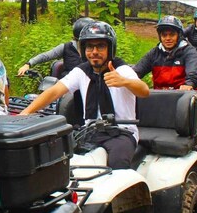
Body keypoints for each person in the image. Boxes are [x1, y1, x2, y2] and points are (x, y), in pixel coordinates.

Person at [20, 21, 149, 169]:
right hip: (90, 131)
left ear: (110, 48)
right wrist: (26, 112)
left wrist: (125, 82)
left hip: (122, 132)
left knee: (117, 164)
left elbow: (144, 91)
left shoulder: (122, 70)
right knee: (60, 160)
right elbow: (54, 91)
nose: (94, 51)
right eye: (89, 46)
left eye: (100, 46)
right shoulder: (81, 71)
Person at [133, 16, 197, 90]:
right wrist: (128, 79)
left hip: (182, 96)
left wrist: (189, 84)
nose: (168, 38)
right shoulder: (154, 53)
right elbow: (138, 70)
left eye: (172, 35)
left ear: (179, 35)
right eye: (164, 35)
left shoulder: (188, 51)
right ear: (160, 37)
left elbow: (194, 72)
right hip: (158, 96)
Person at [17, 16, 95, 78]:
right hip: (67, 88)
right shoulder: (66, 47)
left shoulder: (96, 53)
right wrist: (28, 64)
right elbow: (46, 56)